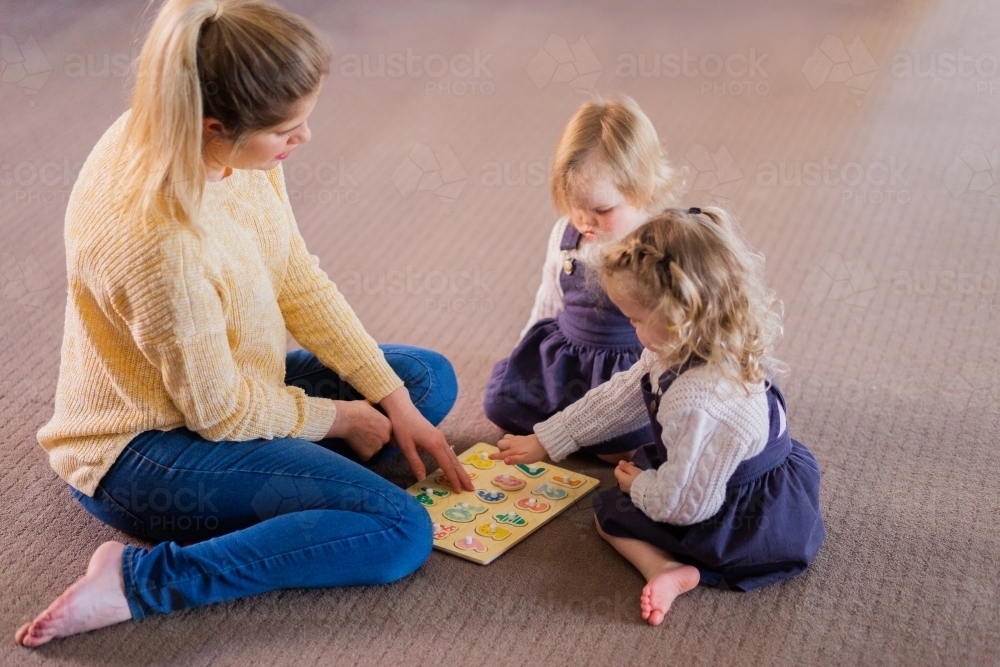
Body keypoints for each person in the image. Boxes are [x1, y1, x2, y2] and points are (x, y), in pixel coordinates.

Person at [17, 0, 472, 648]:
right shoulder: (160, 242)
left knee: (424, 383)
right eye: (288, 129)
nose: (304, 139)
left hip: (219, 385)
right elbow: (220, 412)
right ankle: (138, 579)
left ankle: (298, 487)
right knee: (397, 531)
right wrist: (340, 418)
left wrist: (390, 400)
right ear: (214, 126)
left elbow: (295, 276)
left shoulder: (228, 153)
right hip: (145, 448)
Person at [491, 207, 825, 625]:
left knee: (608, 515)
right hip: (735, 473)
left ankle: (665, 569)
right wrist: (550, 438)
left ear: (678, 315)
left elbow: (683, 506)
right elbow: (624, 394)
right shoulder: (706, 338)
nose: (630, 329)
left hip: (740, 516)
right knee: (647, 462)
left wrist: (641, 488)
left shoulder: (699, 401)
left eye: (634, 318)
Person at [482, 97, 684, 463]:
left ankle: (587, 436)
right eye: (576, 207)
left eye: (602, 210)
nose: (585, 221)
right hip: (569, 356)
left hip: (628, 366)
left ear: (644, 187)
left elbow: (682, 321)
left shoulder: (661, 239)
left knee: (632, 436)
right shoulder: (567, 234)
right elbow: (549, 297)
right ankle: (575, 432)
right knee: (500, 402)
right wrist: (522, 350)